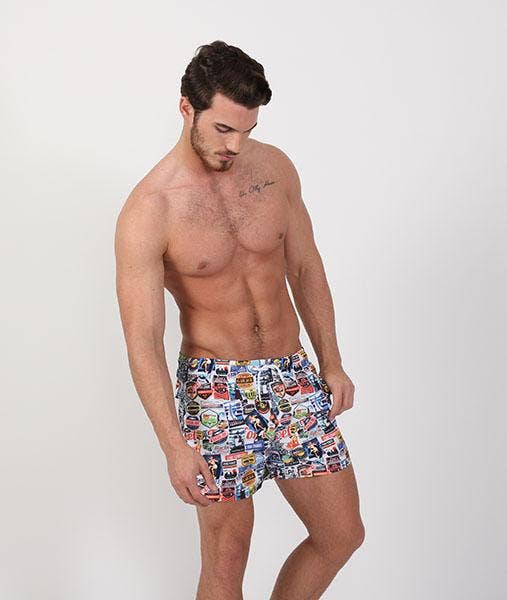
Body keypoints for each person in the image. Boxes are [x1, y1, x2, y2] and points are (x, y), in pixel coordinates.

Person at [115, 39, 365, 600]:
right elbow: (143, 340)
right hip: (216, 390)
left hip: (292, 375)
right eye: (224, 129)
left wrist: (332, 362)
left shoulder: (274, 169)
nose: (235, 145)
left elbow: (305, 266)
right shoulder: (150, 210)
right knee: (226, 562)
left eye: (247, 130)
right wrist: (174, 445)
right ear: (187, 108)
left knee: (341, 533)